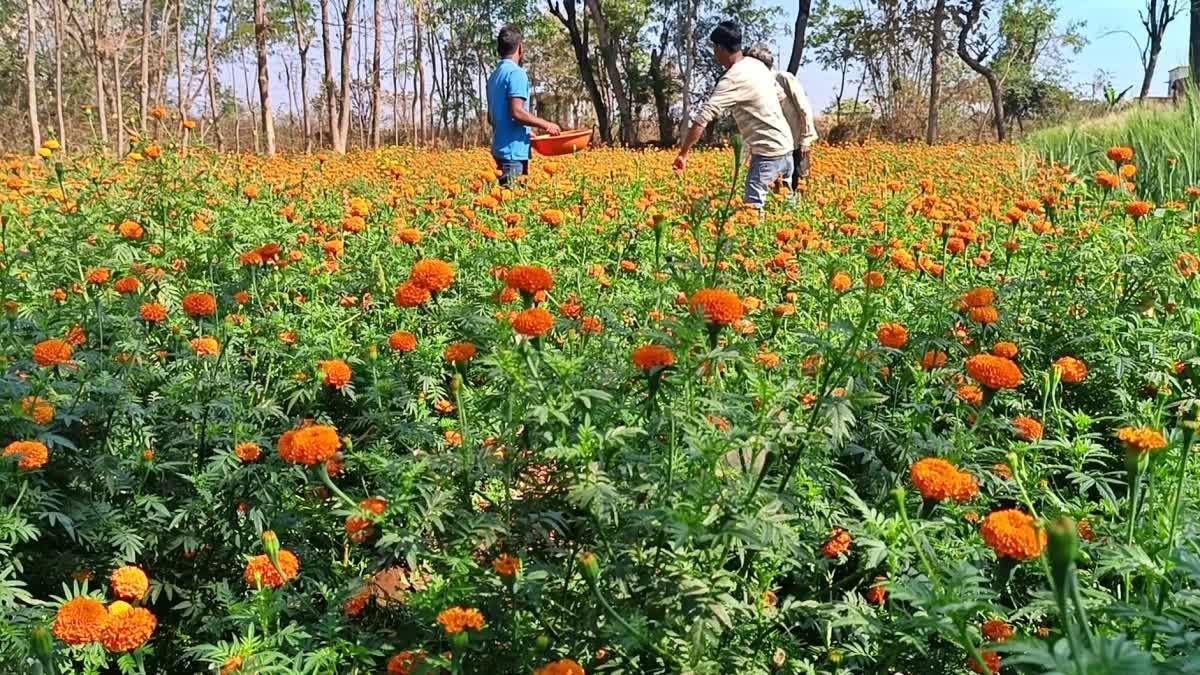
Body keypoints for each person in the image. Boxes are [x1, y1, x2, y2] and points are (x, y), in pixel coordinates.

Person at [673, 21, 794, 209]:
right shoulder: (757, 65)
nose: (714, 53)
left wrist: (683, 153)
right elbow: (780, 96)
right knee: (786, 208)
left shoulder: (732, 79)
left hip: (767, 153)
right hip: (786, 147)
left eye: (714, 47)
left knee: (752, 210)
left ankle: (756, 239)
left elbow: (703, 118)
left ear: (720, 48)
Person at [486, 25, 561, 186]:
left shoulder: (494, 76)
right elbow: (517, 112)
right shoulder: (516, 73)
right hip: (513, 153)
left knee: (505, 199)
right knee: (512, 204)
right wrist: (546, 124)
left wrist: (525, 132)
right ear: (520, 47)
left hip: (500, 148)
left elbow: (491, 117)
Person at [745, 44, 817, 191]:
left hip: (797, 142)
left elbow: (804, 108)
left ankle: (798, 212)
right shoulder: (758, 86)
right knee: (777, 187)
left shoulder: (783, 78)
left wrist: (806, 138)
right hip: (776, 144)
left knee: (797, 184)